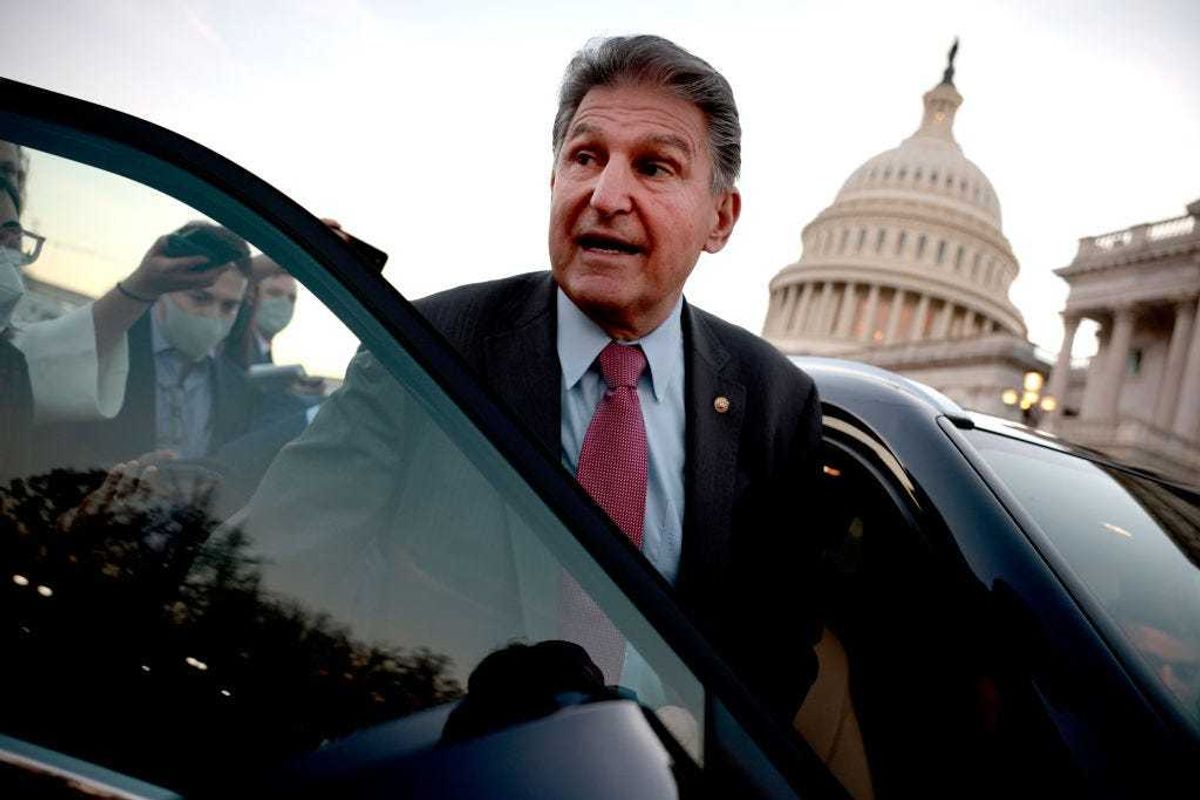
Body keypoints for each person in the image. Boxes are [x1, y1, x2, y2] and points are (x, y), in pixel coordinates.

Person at [237, 35, 823, 723]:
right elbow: (266, 577)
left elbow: (777, 654)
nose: (606, 196)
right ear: (554, 180)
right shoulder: (421, 351)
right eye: (585, 157)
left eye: (654, 167)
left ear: (719, 218)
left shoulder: (775, 402)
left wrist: (697, 738)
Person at [34, 222, 307, 476]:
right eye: (200, 298)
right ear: (164, 286)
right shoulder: (103, 351)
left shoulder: (236, 387)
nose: (212, 315)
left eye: (229, 306)